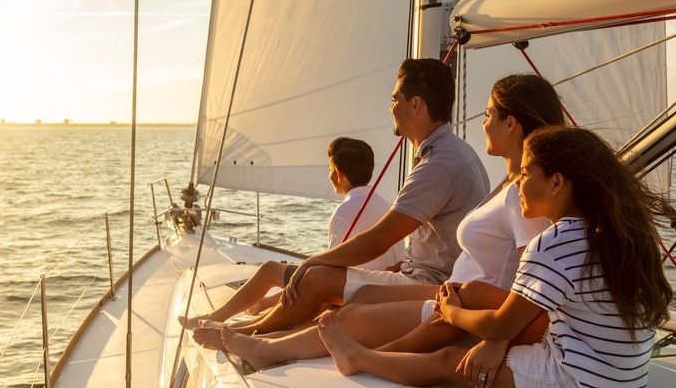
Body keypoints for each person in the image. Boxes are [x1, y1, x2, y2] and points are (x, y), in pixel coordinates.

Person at [320, 125, 674, 388]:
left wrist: (454, 313)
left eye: (525, 173)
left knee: (447, 361)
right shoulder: (612, 232)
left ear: (556, 183)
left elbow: (502, 325)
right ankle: (391, 351)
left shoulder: (554, 243)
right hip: (622, 380)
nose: (517, 184)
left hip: (580, 386)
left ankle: (358, 358)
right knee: (477, 293)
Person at [221, 74, 564, 369]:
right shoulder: (507, 184)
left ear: (510, 124)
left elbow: (531, 279)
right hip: (455, 292)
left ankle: (266, 348)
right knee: (364, 296)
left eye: (489, 113)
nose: (482, 122)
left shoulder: (522, 194)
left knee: (348, 312)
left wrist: (497, 337)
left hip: (468, 307)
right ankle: (274, 337)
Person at [203, 58, 489, 341]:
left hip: (431, 286)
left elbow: (379, 239)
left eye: (395, 99)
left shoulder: (438, 164)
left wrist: (311, 262)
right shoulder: (455, 153)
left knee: (317, 277)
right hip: (434, 278)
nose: (390, 108)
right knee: (326, 278)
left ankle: (246, 336)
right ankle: (246, 331)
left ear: (415, 105)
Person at [181, 136, 403, 328]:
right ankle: (262, 304)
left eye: (329, 170)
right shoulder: (386, 205)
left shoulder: (345, 211)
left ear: (338, 173)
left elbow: (326, 274)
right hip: (380, 288)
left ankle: (216, 317)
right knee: (299, 274)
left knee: (269, 269)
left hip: (351, 291)